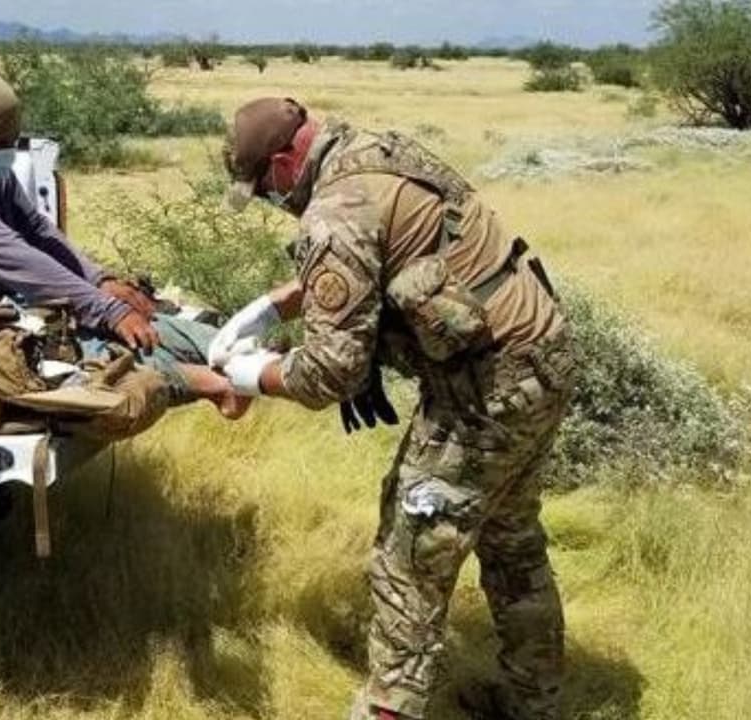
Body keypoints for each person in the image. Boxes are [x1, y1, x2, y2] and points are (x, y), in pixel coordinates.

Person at [211, 98, 576, 720]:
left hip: (485, 394)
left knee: (409, 563)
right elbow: (383, 255)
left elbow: (331, 371)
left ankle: (390, 710)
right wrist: (273, 306)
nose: (273, 201)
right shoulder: (376, 151)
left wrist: (248, 374)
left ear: (285, 159)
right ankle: (533, 702)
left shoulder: (333, 211)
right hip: (545, 359)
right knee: (512, 540)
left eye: (266, 187)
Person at [0, 71, 247, 419]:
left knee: (146, 319)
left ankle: (238, 357)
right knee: (77, 352)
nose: (6, 152)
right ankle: (210, 384)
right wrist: (107, 310)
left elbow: (36, 229)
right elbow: (16, 257)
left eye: (11, 141)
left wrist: (100, 280)